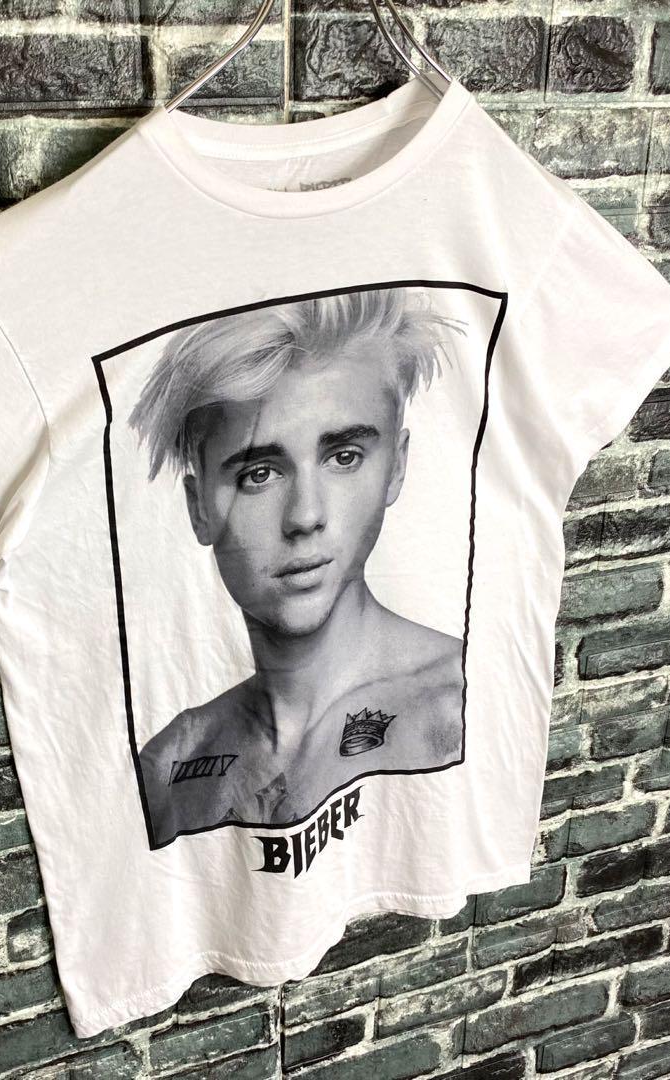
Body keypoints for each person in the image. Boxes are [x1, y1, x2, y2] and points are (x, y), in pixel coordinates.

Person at [128, 287, 469, 847]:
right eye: (258, 474)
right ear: (198, 509)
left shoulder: (462, 703)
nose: (306, 516)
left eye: (344, 457)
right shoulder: (170, 766)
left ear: (396, 467)